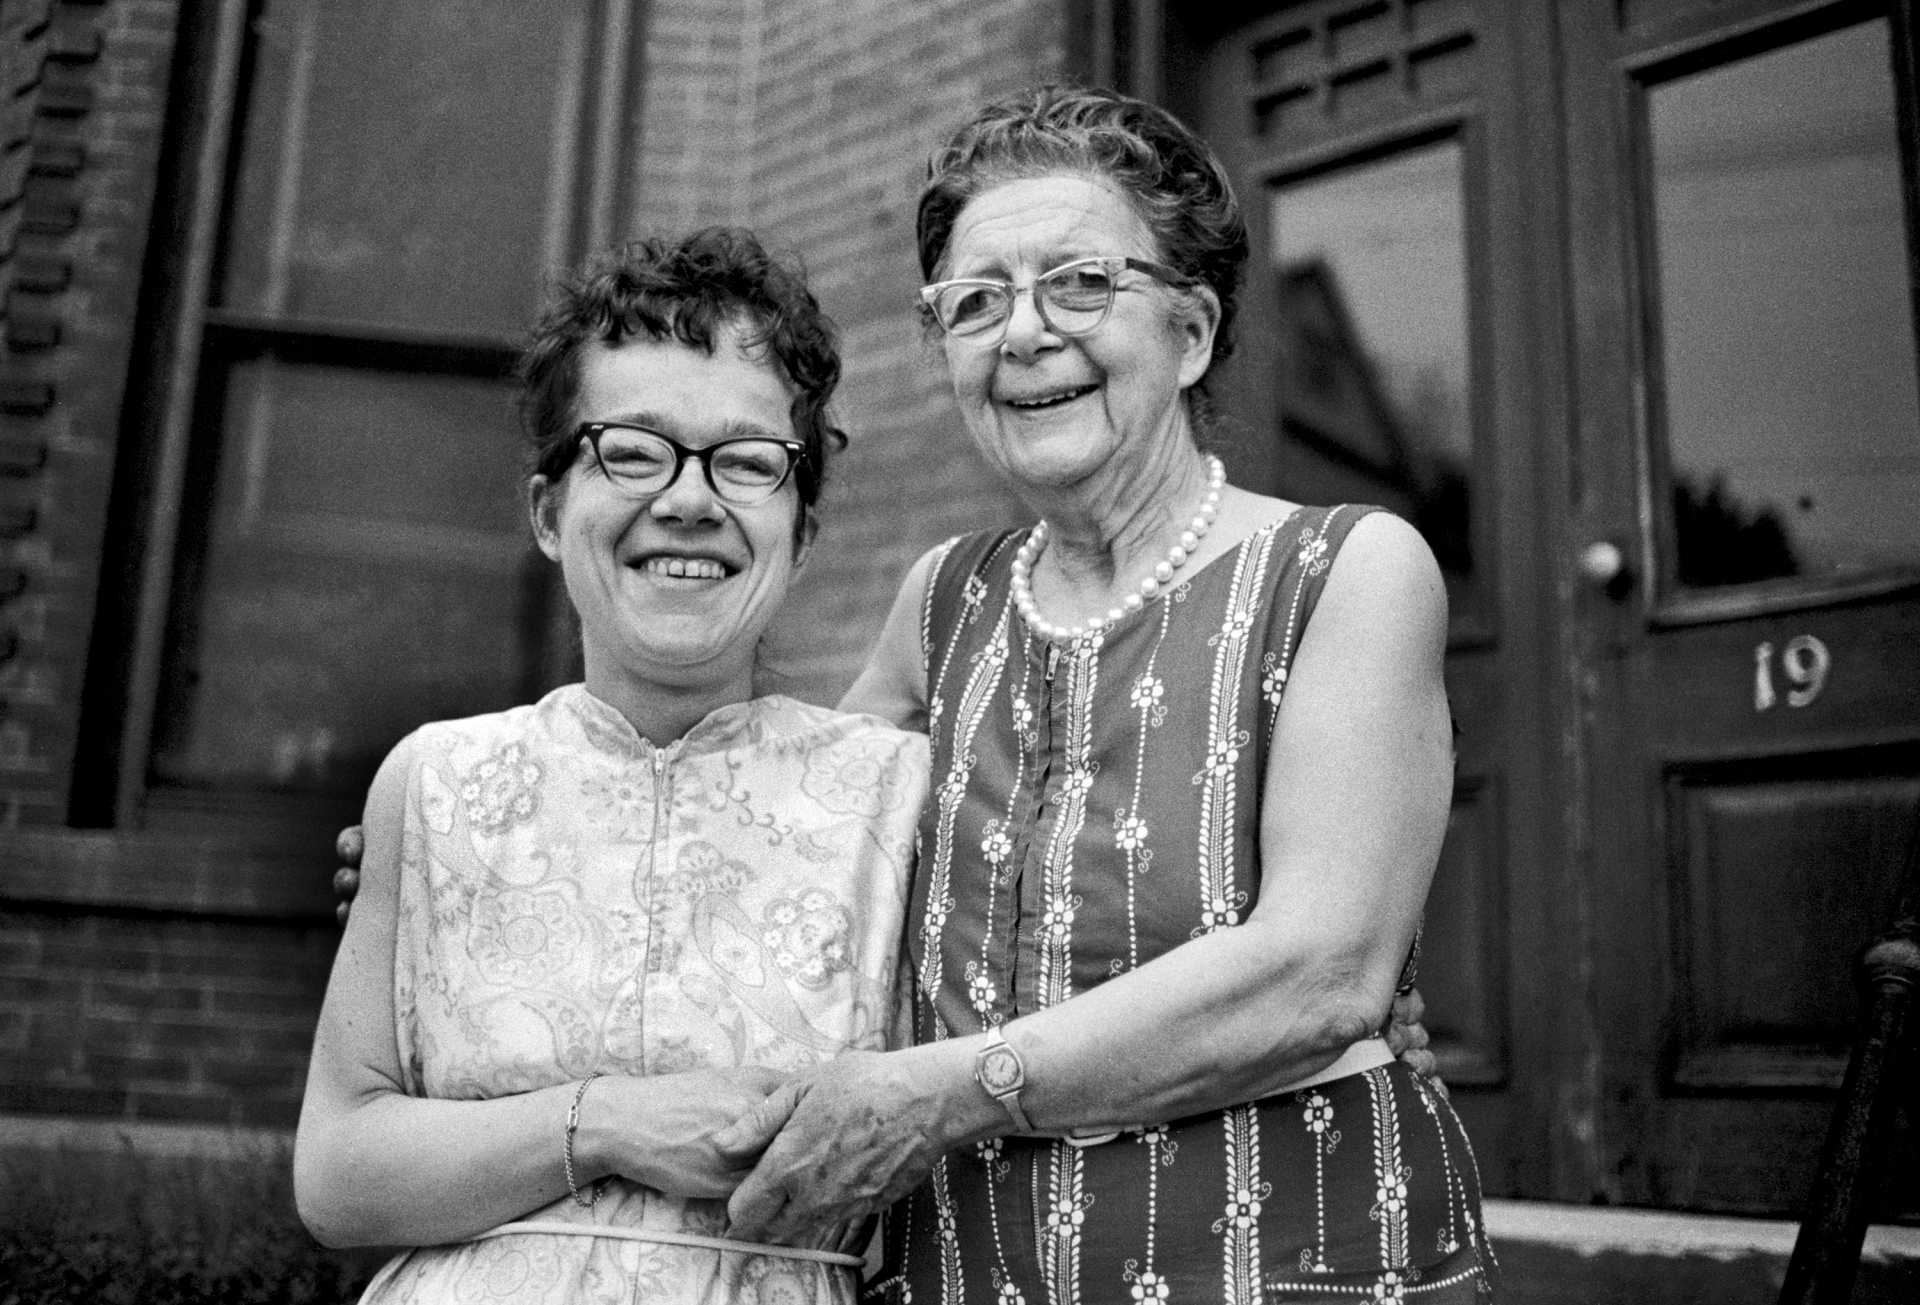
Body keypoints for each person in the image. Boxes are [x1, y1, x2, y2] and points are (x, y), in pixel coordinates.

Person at [706, 85, 1497, 1303]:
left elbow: (1321, 969)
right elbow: (785, 858)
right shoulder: (942, 602)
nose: (1023, 333)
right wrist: (489, 847)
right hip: (962, 1274)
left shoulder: (1347, 570)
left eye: (1080, 284)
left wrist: (938, 1093)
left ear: (1189, 333)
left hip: (1291, 1262)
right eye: (976, 303)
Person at [294, 227, 928, 1305]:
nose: (689, 499)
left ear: (803, 530)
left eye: (745, 462)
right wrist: (609, 1124)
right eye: (632, 449)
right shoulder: (434, 782)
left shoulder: (902, 798)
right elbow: (339, 1175)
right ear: (549, 512)